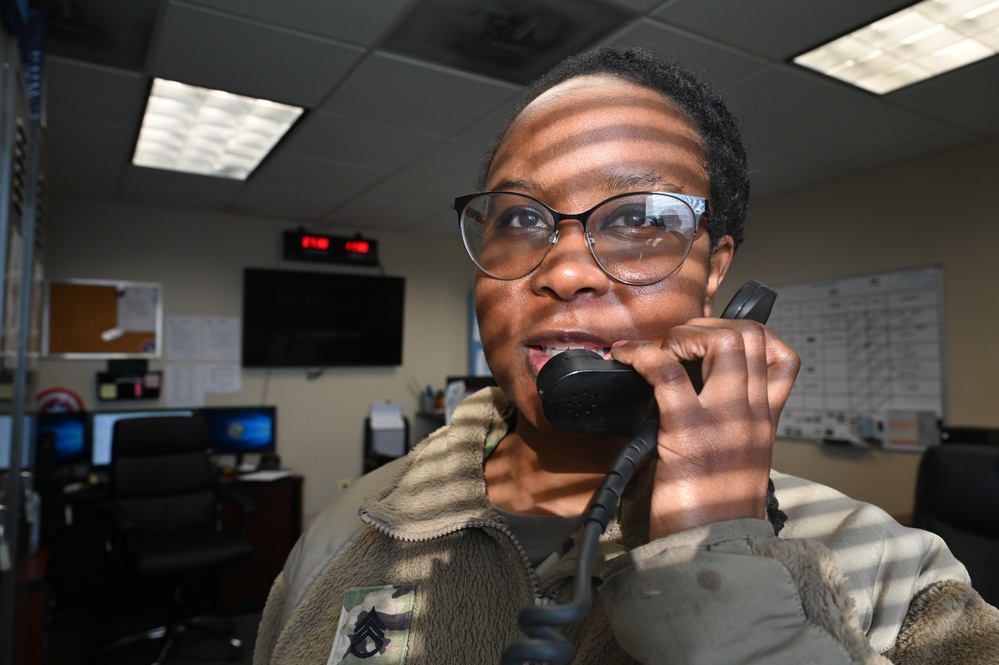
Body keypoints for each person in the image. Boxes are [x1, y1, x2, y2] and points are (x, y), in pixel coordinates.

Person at [253, 46, 999, 664]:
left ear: (715, 272)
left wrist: (723, 579)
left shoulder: (883, 567)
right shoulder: (346, 530)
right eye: (520, 217)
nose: (565, 268)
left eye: (638, 219)